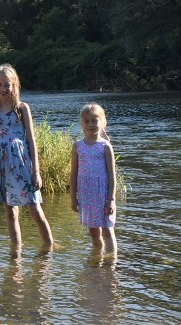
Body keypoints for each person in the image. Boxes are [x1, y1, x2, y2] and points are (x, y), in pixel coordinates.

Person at [0, 63, 54, 249]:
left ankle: (49, 247)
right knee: (10, 213)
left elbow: (31, 141)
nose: (3, 89)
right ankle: (16, 254)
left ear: (14, 85)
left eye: (7, 84)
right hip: (2, 167)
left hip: (23, 165)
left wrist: (36, 172)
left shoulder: (22, 109)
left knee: (35, 210)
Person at [70, 103, 117, 254]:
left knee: (107, 230)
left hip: (103, 194)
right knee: (94, 232)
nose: (91, 124)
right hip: (86, 194)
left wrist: (111, 199)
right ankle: (97, 261)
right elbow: (73, 173)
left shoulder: (105, 146)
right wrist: (73, 198)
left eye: (95, 121)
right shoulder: (77, 146)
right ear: (82, 124)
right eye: (87, 121)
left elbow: (112, 175)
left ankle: (111, 265)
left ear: (102, 123)